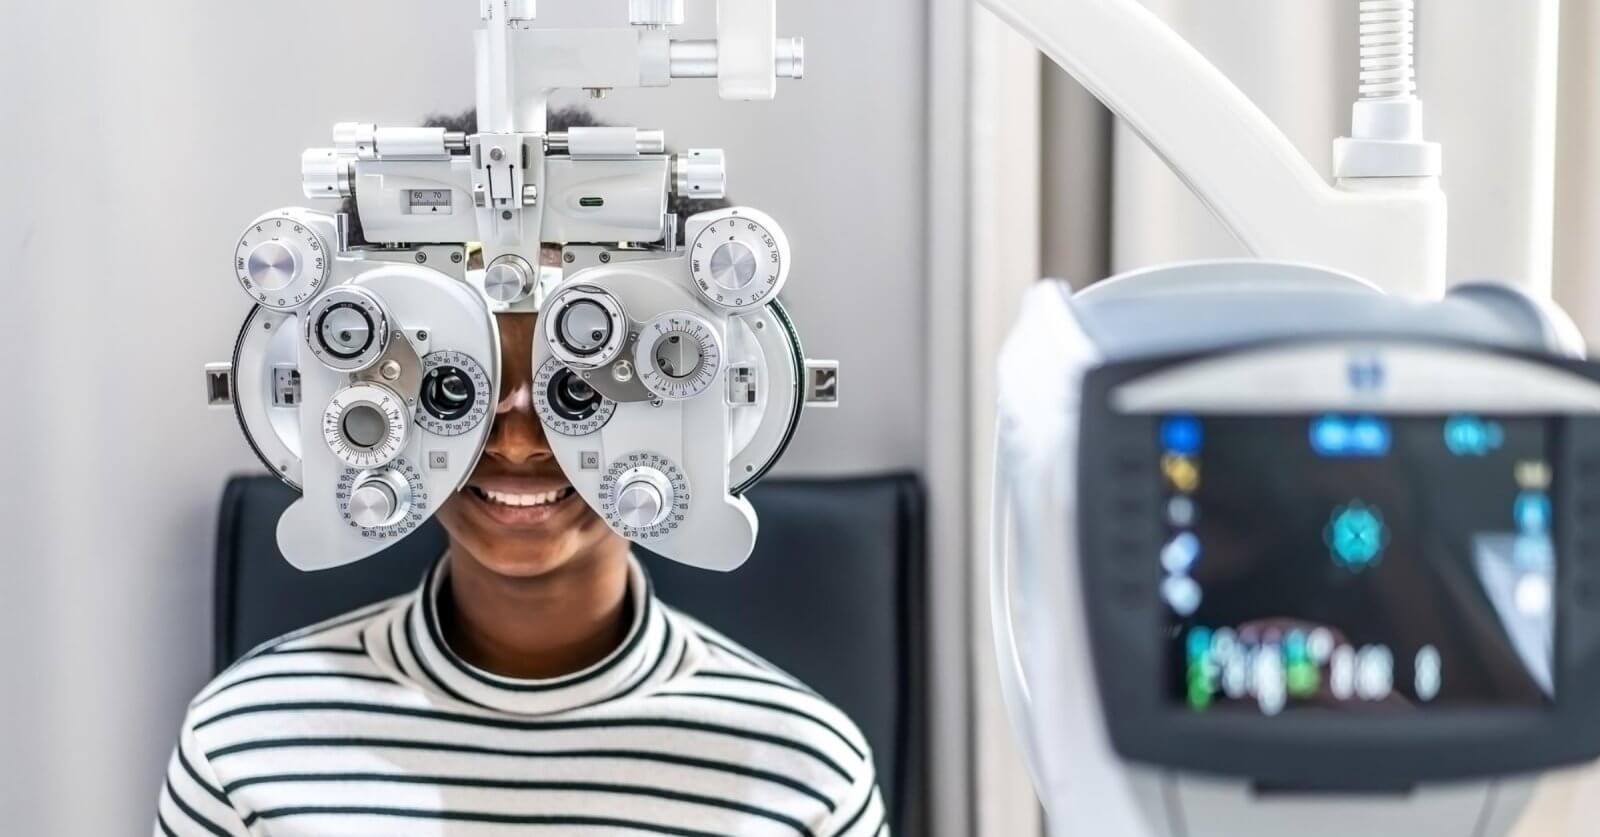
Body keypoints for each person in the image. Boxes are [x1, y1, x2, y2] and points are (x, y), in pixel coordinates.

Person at [155, 108, 887, 836]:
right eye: (456, 390)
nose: (518, 442)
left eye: (578, 389)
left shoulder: (802, 773)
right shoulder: (242, 747)